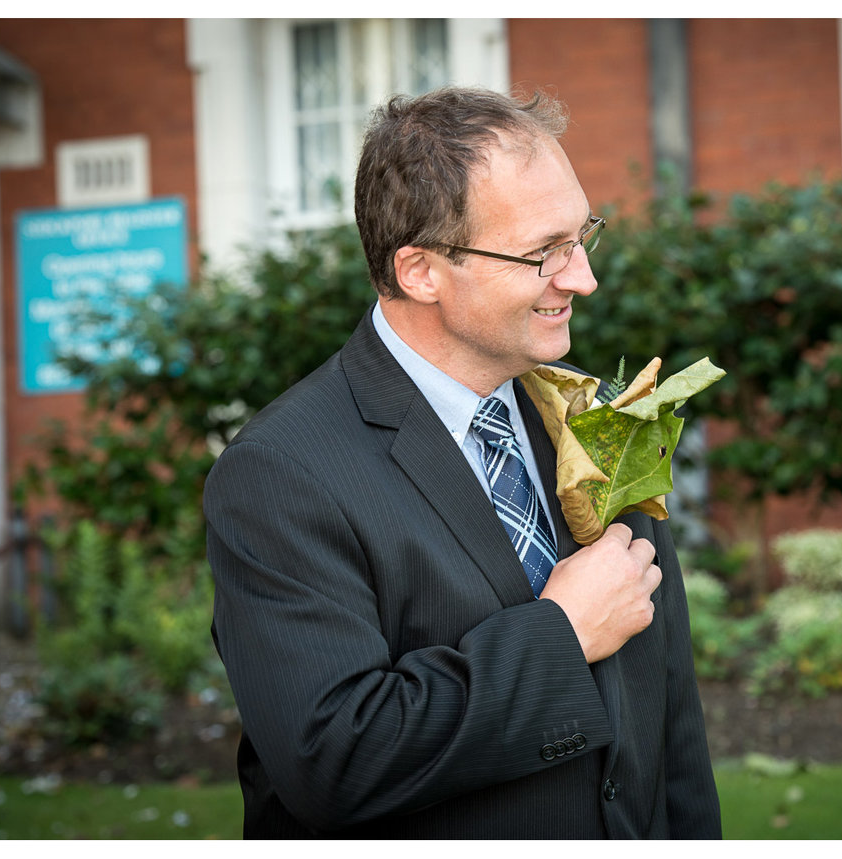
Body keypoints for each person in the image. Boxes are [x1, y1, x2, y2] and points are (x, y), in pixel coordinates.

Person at [205, 87, 720, 838]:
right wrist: (561, 635)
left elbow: (670, 724)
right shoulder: (280, 474)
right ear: (420, 271)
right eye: (544, 252)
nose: (582, 278)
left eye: (583, 237)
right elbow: (333, 758)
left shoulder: (606, 417)